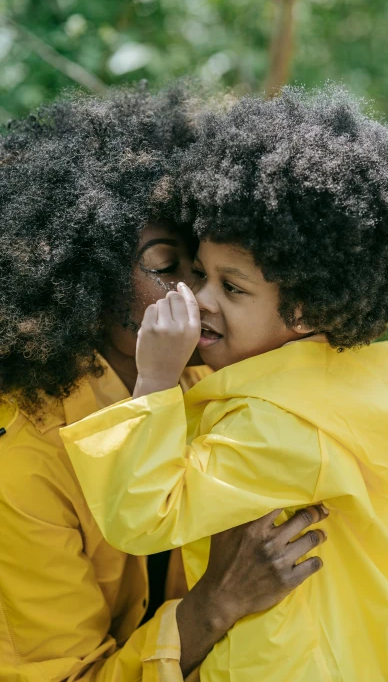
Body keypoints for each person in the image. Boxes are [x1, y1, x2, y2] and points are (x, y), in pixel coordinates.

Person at [61, 86, 388, 681]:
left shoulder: (277, 424)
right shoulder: (347, 383)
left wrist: (157, 378)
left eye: (231, 287)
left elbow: (143, 518)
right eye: (197, 272)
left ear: (307, 308)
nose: (198, 299)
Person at [0, 84, 329, 682]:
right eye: (165, 265)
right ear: (80, 271)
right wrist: (215, 606)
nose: (196, 297)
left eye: (205, 270)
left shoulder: (215, 371)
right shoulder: (22, 460)